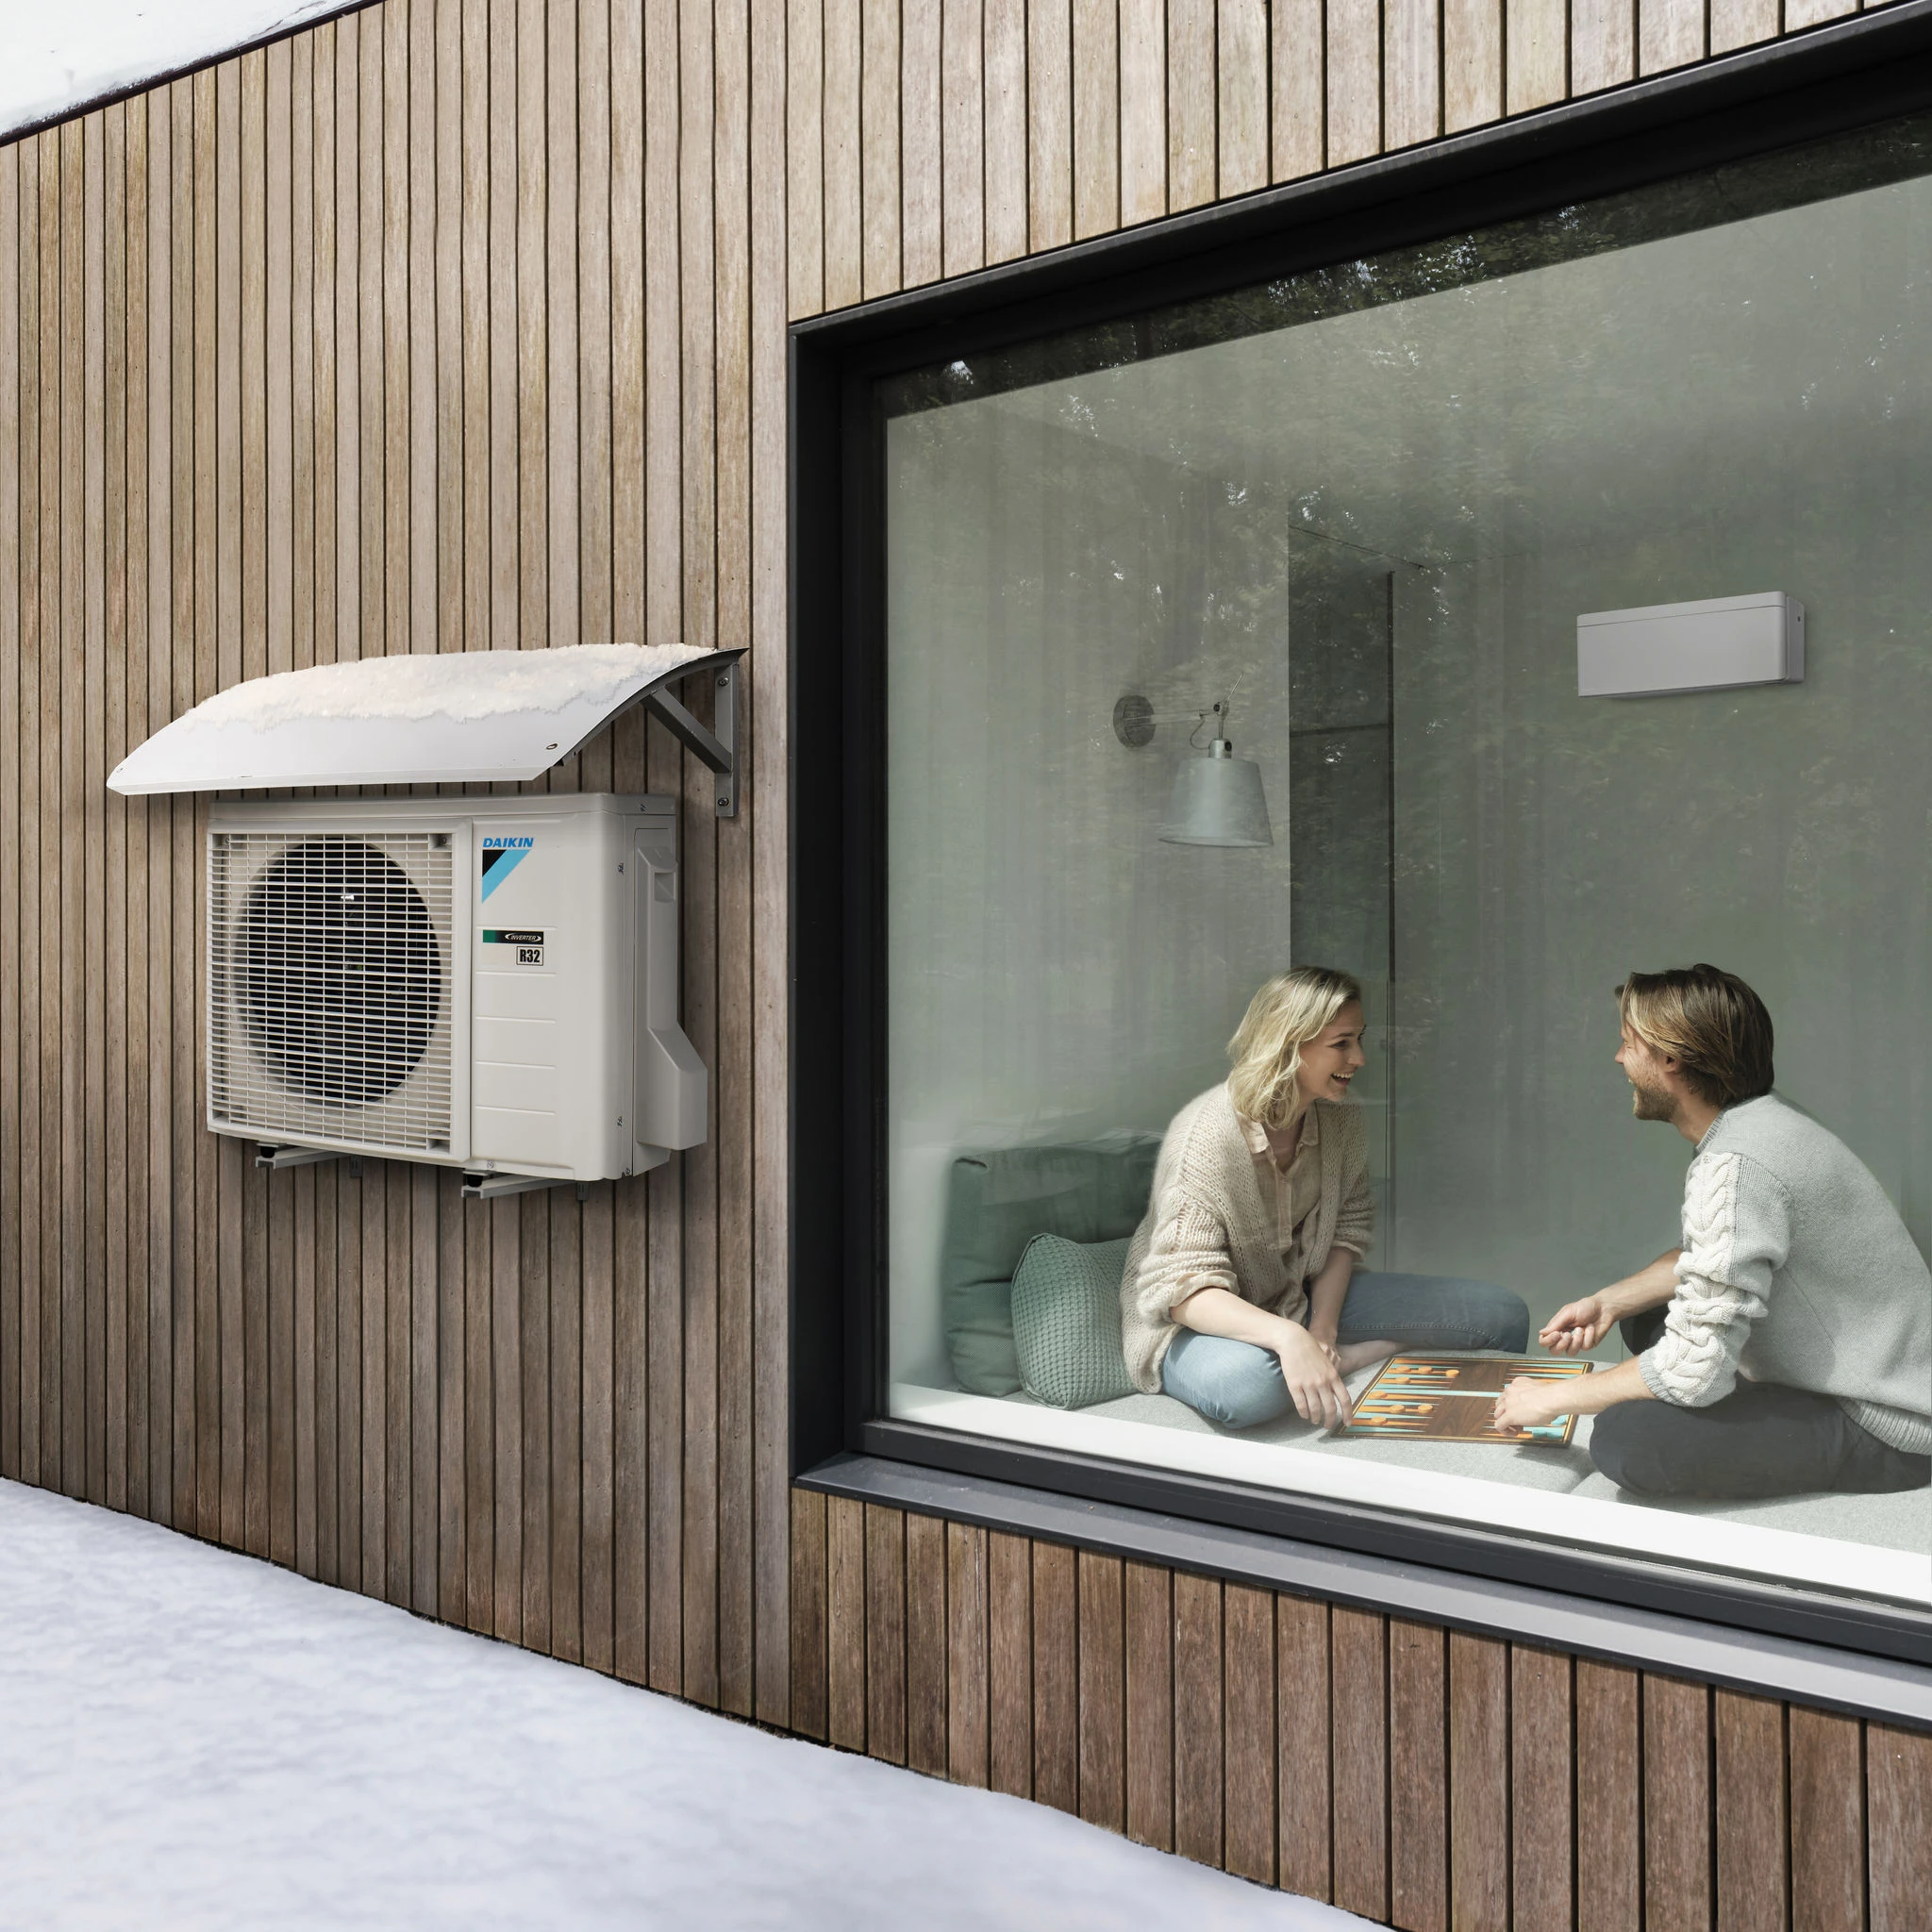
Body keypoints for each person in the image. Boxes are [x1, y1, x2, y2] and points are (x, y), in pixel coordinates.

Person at [1492, 965, 1932, 1499]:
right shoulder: (1767, 1122)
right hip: (1877, 1373)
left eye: (1628, 1043)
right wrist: (1608, 1302)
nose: (1618, 1059)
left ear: (1670, 1057)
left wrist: (1555, 1397)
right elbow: (1718, 1255)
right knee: (1651, 1315)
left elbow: (1693, 1372)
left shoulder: (1738, 1162)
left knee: (1629, 1438)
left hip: (1884, 1425)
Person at [1121, 967, 1529, 1430]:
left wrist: (1322, 1331)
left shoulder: (1342, 1121)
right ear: (1287, 1044)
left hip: (1295, 1294)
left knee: (1500, 1314)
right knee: (1251, 1387)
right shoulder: (1206, 1136)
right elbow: (1179, 1288)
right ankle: (1350, 1357)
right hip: (1192, 1322)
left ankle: (1339, 1354)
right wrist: (1288, 1337)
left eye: (1359, 1039)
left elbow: (1345, 1230)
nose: (1358, 1058)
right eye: (1341, 1043)